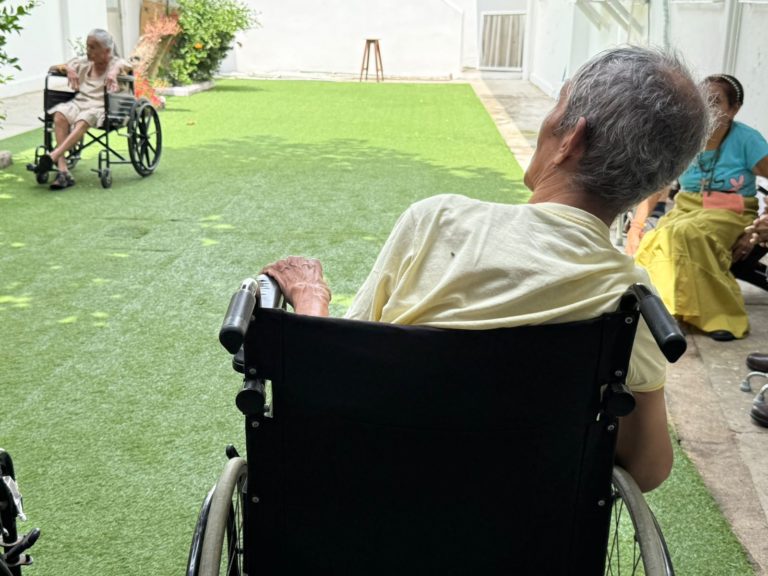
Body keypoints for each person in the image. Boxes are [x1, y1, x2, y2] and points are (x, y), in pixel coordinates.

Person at [262, 46, 710, 492]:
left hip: (377, 493)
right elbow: (647, 468)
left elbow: (330, 372)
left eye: (557, 106)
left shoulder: (438, 221)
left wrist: (311, 296)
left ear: (571, 140)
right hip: (528, 522)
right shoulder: (630, 295)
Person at [629, 75, 768, 341]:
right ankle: (664, 313)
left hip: (732, 212)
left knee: (685, 234)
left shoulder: (748, 140)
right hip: (687, 208)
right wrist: (636, 227)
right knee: (657, 237)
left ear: (734, 109)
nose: (707, 106)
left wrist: (762, 224)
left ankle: (720, 315)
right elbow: (658, 186)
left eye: (716, 101)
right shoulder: (685, 138)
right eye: (702, 99)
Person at [33, 29, 129, 190]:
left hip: (101, 107)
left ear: (106, 51)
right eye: (87, 46)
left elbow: (125, 64)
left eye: (93, 47)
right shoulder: (84, 62)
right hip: (80, 103)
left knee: (84, 118)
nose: (88, 50)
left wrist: (114, 72)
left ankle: (54, 156)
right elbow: (54, 67)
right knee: (60, 114)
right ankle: (63, 171)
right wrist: (69, 69)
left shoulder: (116, 63)